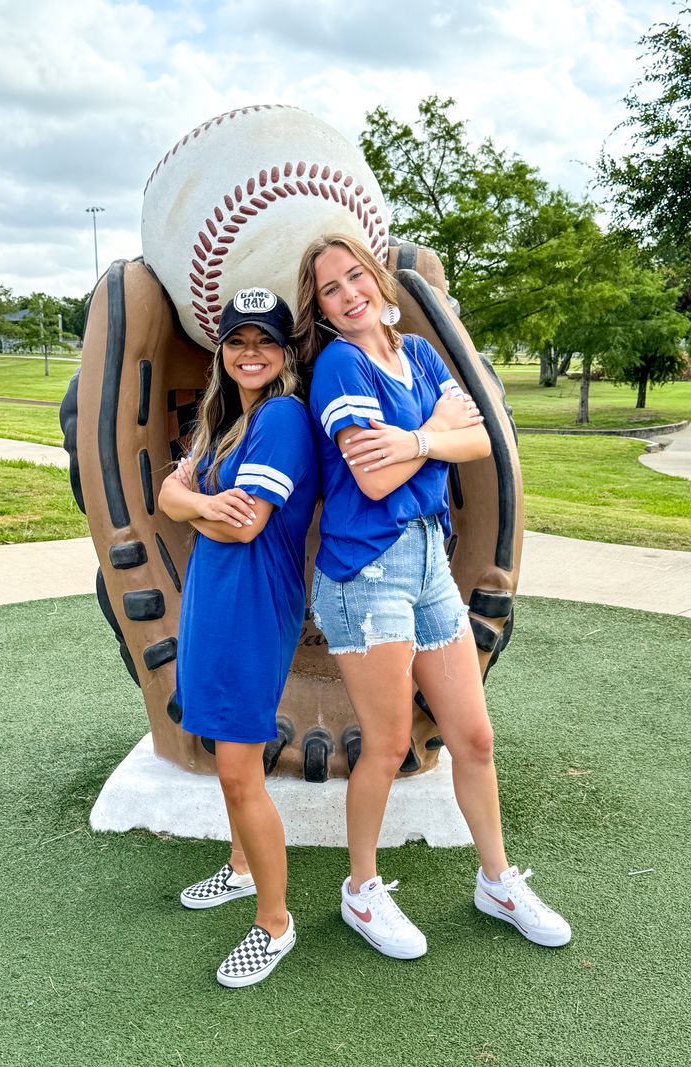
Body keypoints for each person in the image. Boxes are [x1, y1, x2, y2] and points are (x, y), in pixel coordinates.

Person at [295, 233, 571, 959]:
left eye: (357, 274)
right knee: (385, 744)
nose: (350, 292)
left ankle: (498, 879)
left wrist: (413, 441)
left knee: (472, 736)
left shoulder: (415, 354)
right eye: (331, 287)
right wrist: (434, 436)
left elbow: (479, 441)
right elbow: (374, 479)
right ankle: (360, 891)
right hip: (367, 572)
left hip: (427, 565)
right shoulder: (339, 363)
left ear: (378, 276)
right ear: (320, 308)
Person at [158, 288, 317, 988]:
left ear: (284, 354)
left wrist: (189, 504)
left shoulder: (282, 416)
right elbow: (172, 494)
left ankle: (275, 921)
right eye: (237, 340)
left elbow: (245, 524)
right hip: (215, 601)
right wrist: (195, 502)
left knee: (237, 767)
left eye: (265, 341)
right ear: (222, 350)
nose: (250, 353)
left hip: (252, 605)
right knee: (226, 749)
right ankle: (241, 865)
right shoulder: (226, 420)